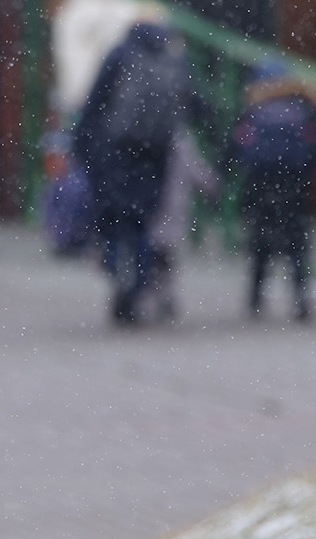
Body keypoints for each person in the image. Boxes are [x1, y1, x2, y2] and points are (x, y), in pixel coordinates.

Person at [73, 18, 192, 326]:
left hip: (115, 153)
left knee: (114, 223)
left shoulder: (121, 55)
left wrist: (81, 145)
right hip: (155, 155)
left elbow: (95, 102)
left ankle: (119, 279)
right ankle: (138, 288)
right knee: (142, 226)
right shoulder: (171, 56)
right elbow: (194, 103)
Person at [227, 64, 316, 322]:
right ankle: (301, 300)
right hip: (295, 188)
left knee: (260, 246)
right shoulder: (303, 109)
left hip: (259, 187)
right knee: (297, 246)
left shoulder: (252, 111)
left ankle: (255, 300)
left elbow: (235, 148)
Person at [145, 126, 219, 322]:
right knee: (165, 255)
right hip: (172, 206)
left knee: (153, 253)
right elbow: (195, 169)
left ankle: (148, 292)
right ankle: (163, 295)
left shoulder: (143, 133)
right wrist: (211, 186)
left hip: (146, 205)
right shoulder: (179, 138)